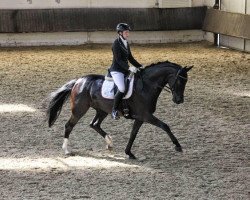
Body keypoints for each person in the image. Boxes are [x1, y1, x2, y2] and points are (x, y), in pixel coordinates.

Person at [108, 23, 142, 120]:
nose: (128, 34)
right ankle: (114, 110)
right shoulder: (116, 44)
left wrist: (140, 66)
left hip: (125, 69)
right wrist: (129, 68)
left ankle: (128, 106)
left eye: (128, 32)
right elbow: (118, 60)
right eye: (126, 32)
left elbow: (130, 58)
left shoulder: (126, 42)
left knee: (135, 82)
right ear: (120, 33)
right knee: (122, 88)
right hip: (117, 70)